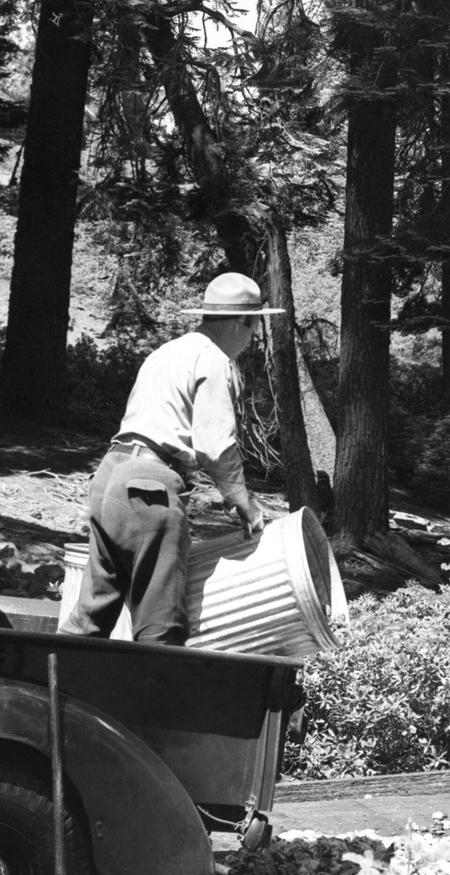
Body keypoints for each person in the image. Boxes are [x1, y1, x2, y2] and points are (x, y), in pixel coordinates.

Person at [59, 272, 283, 644]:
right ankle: (154, 683)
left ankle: (47, 674)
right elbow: (215, 446)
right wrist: (245, 504)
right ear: (241, 321)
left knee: (92, 616)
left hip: (109, 477)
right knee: (161, 626)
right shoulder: (214, 360)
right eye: (254, 327)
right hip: (149, 487)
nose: (251, 340)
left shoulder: (166, 352)